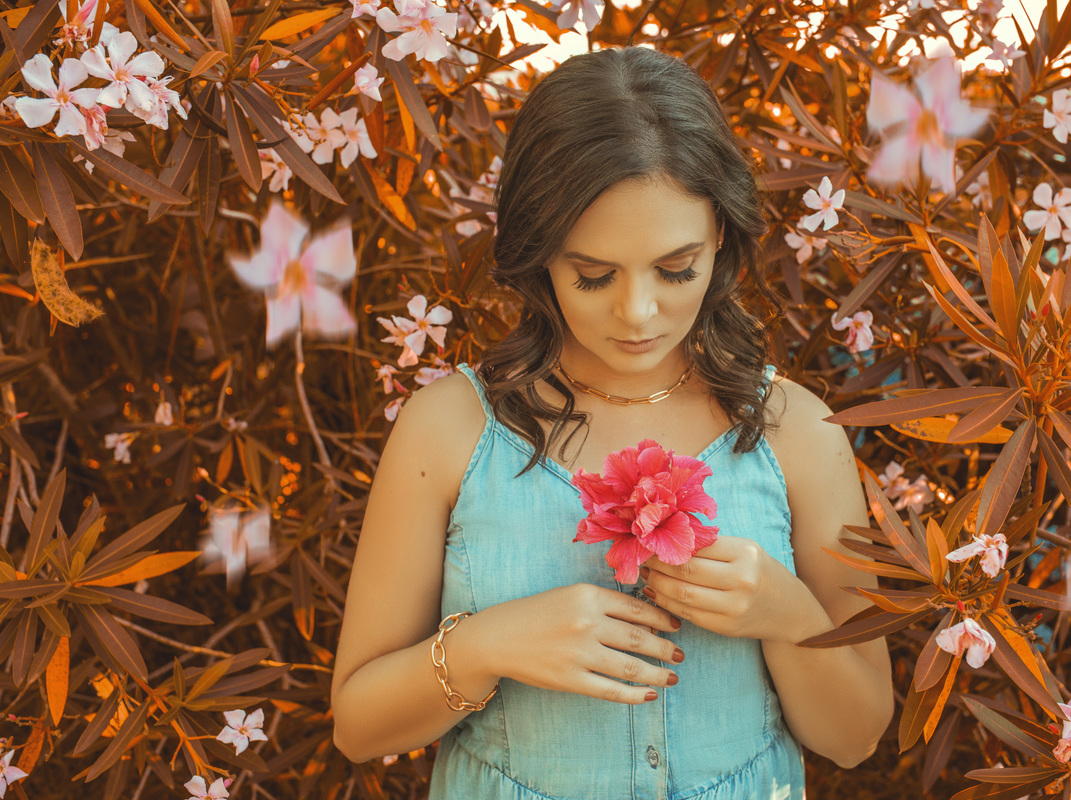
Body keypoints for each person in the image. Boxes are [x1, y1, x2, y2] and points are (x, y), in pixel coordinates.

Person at [331, 46, 894, 799]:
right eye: (592, 275)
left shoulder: (796, 432)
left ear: (720, 236)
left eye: (675, 269)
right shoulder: (450, 429)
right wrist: (486, 646)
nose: (637, 314)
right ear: (538, 256)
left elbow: (856, 740)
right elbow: (358, 727)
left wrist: (787, 616)